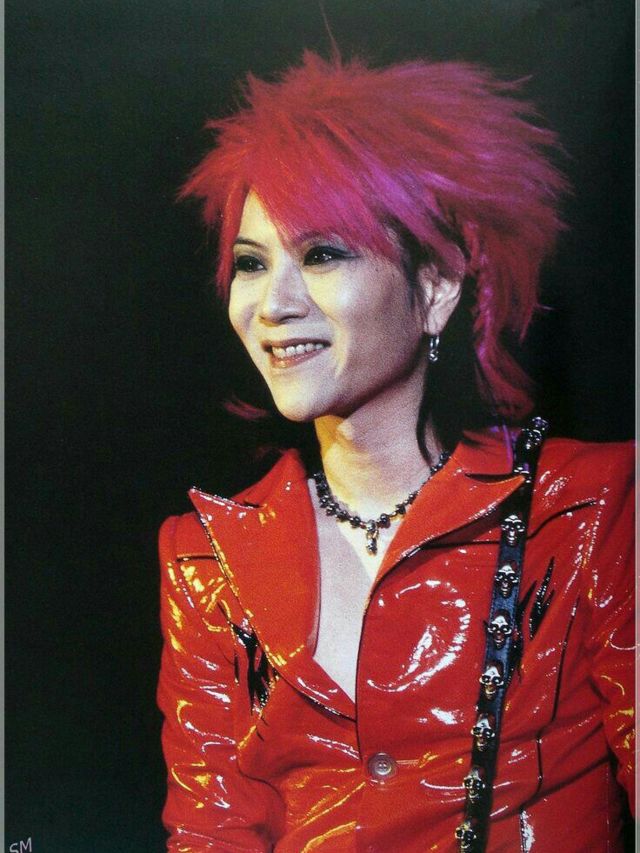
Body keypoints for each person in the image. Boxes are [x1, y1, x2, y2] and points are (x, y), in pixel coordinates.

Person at [157, 52, 634, 852]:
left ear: (437, 286)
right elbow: (211, 832)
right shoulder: (207, 561)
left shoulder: (589, 510)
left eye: (322, 254)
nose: (272, 303)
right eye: (251, 263)